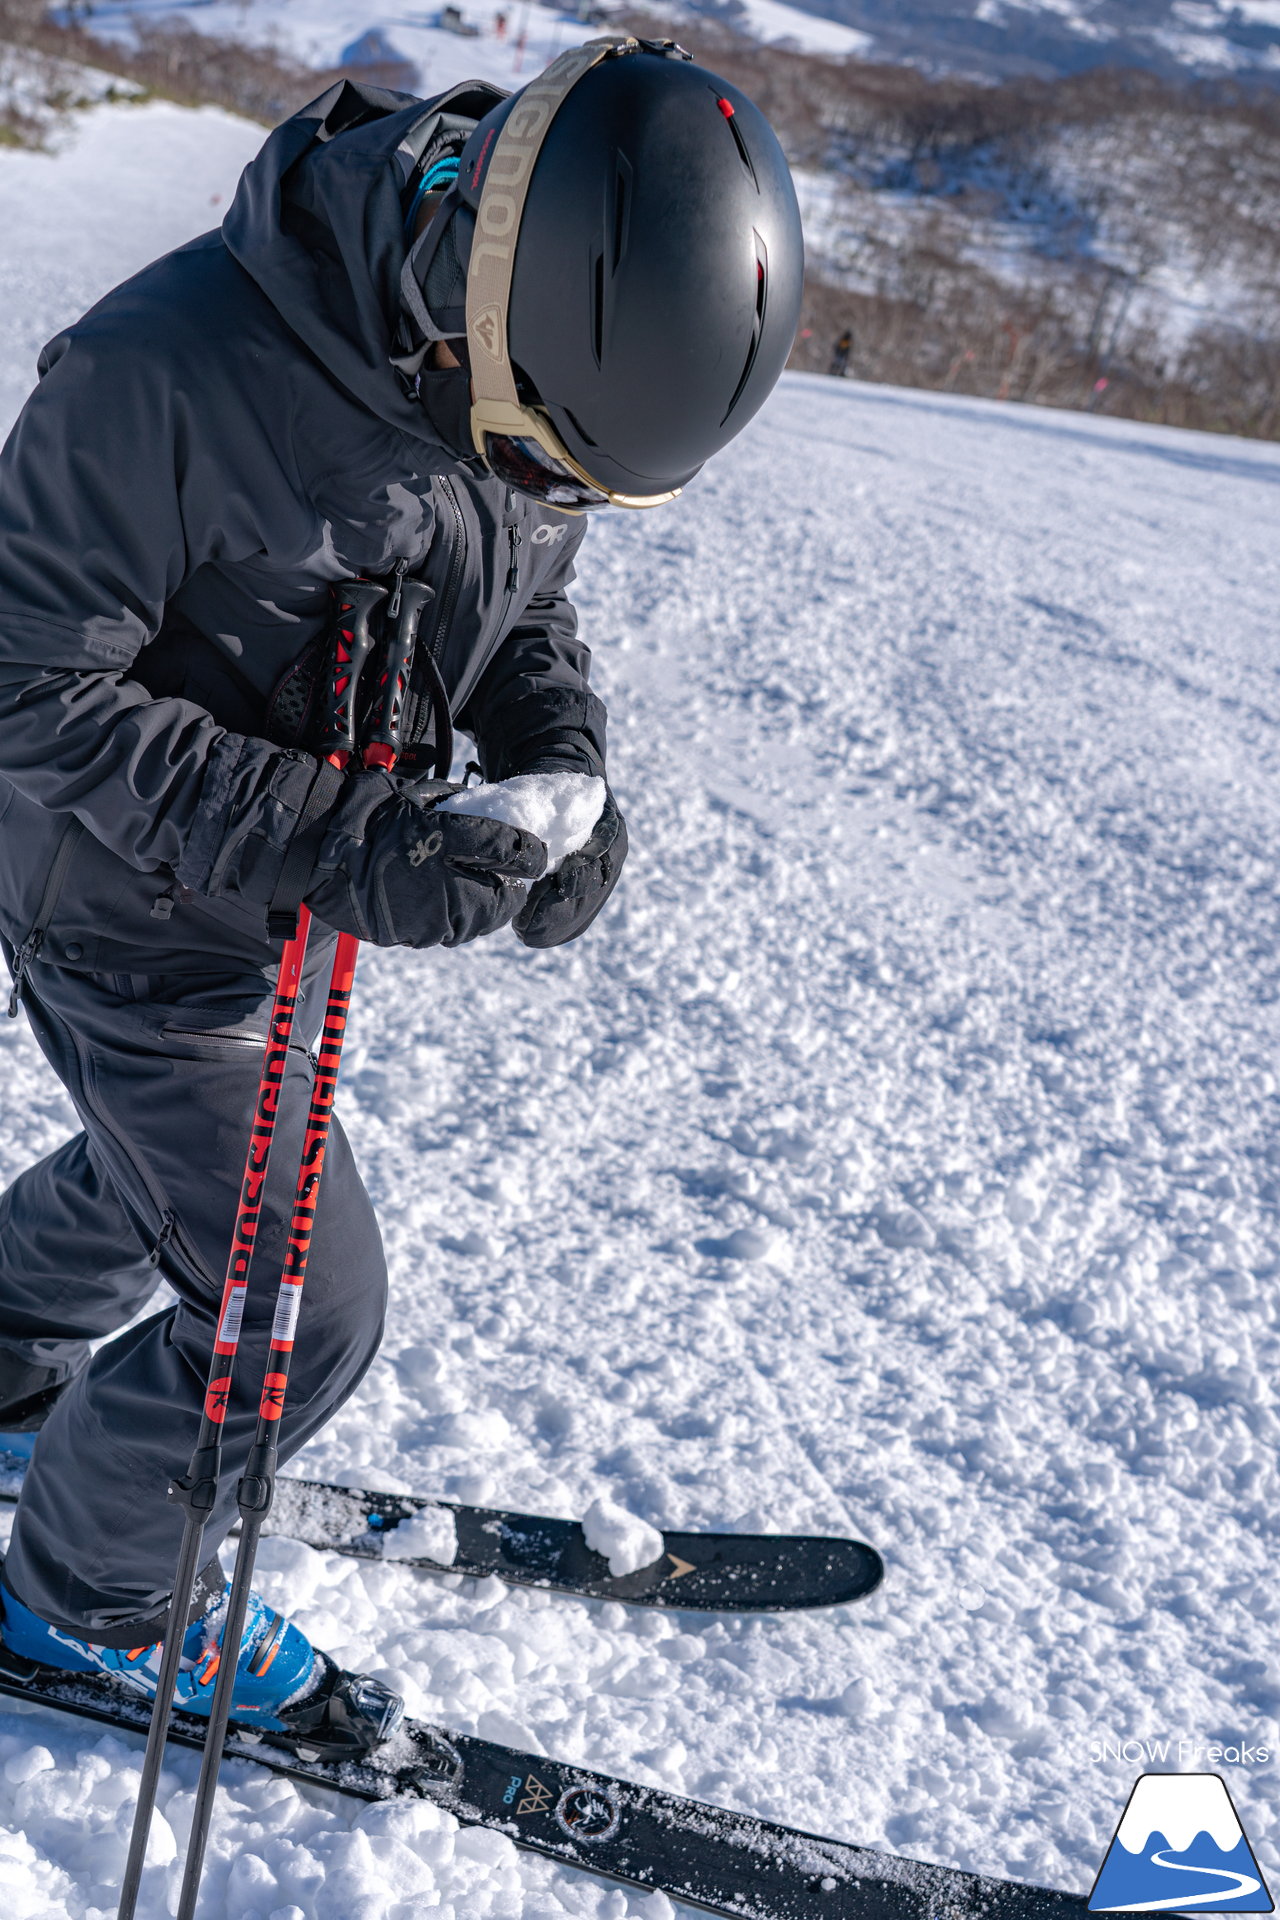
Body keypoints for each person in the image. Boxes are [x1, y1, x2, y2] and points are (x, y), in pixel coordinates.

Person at [0, 41, 803, 1748]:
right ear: (471, 309)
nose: (554, 496)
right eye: (544, 452)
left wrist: (555, 754)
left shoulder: (504, 371)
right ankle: (86, 1596)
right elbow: (23, 686)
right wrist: (350, 843)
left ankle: (3, 1362)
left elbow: (511, 594)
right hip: (115, 897)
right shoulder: (162, 374)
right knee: (297, 1303)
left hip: (249, 881)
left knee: (170, 1167)